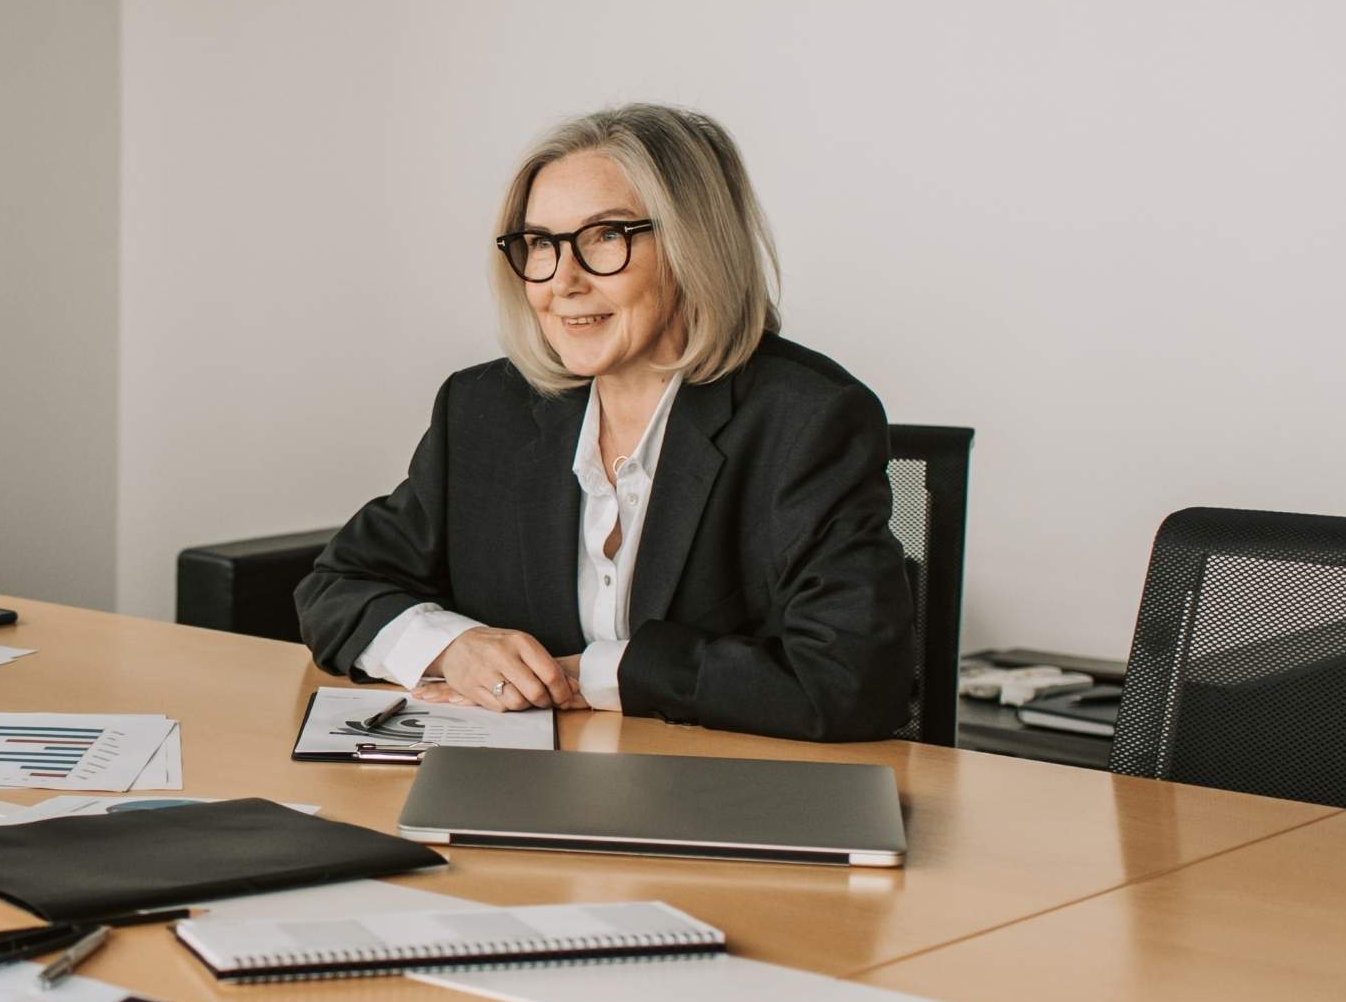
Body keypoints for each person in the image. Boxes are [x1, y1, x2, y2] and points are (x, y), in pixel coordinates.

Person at [296, 104, 912, 742]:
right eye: (540, 244)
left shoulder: (807, 419)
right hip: (523, 794)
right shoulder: (484, 410)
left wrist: (599, 676)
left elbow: (850, 680)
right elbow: (335, 587)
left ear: (691, 246)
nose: (562, 281)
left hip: (712, 800)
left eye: (605, 237)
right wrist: (454, 647)